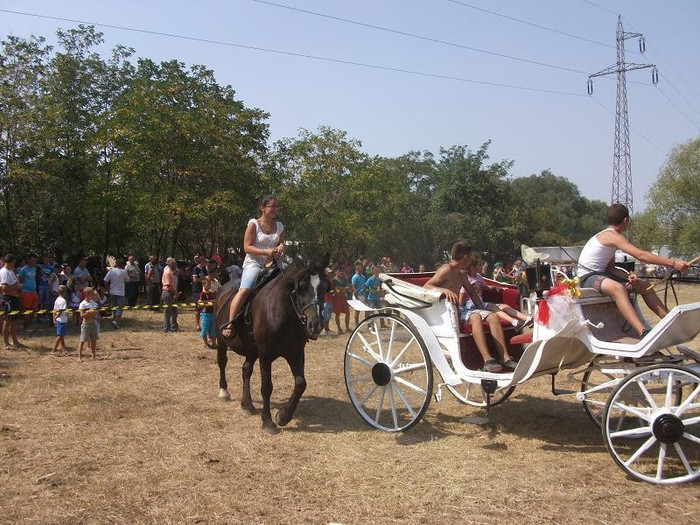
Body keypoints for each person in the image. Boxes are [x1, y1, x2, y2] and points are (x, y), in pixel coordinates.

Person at [576, 203, 690, 338]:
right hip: (587, 277)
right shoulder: (612, 236)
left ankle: (669, 321)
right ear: (625, 220)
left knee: (645, 286)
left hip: (600, 274)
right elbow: (641, 255)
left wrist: (627, 277)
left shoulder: (608, 238)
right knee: (618, 288)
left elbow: (610, 268)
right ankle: (643, 332)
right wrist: (673, 263)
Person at [424, 242, 518, 373]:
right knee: (475, 317)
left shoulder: (461, 273)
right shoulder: (447, 270)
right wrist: (444, 291)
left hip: (461, 310)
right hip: (449, 312)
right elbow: (426, 287)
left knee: (493, 316)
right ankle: (487, 360)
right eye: (470, 256)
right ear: (465, 256)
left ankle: (505, 357)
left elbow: (472, 292)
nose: (471, 259)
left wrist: (483, 309)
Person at [221, 196, 285, 338]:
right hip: (254, 263)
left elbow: (282, 243)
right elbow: (247, 247)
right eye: (272, 206)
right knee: (245, 290)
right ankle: (230, 323)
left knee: (289, 284)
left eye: (276, 206)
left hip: (273, 263)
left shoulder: (280, 226)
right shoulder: (253, 224)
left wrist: (281, 247)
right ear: (263, 208)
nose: (275, 209)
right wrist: (265, 251)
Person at [461, 259, 532, 330]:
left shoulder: (478, 276)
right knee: (493, 307)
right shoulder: (466, 278)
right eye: (479, 265)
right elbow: (461, 297)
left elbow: (485, 287)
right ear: (473, 268)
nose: (482, 267)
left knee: (504, 306)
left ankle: (528, 319)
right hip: (470, 304)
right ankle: (514, 322)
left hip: (481, 302)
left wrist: (496, 287)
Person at [1, 254, 27, 350]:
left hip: (14, 299)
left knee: (13, 321)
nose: (14, 264)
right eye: (14, 262)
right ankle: (6, 343)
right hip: (9, 299)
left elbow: (14, 283)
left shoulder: (10, 271)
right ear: (10, 261)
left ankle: (15, 342)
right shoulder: (4, 272)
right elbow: (4, 288)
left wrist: (18, 285)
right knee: (7, 321)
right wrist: (16, 287)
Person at [77, 286, 101, 362]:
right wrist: (88, 313)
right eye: (91, 294)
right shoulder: (82, 304)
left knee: (93, 340)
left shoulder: (93, 303)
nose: (93, 296)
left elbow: (96, 313)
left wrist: (91, 313)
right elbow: (82, 315)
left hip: (93, 324)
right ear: (87, 295)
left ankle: (93, 355)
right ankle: (79, 357)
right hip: (86, 325)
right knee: (82, 340)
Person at [104, 258, 128, 329]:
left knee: (114, 307)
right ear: (122, 265)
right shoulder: (124, 272)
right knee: (120, 307)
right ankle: (115, 321)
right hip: (120, 292)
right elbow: (127, 280)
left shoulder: (111, 271)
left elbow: (105, 280)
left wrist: (107, 289)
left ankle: (115, 321)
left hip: (112, 292)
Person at [18, 253, 39, 329]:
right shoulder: (23, 269)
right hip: (26, 291)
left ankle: (28, 323)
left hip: (34, 291)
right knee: (27, 310)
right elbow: (20, 280)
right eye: (33, 260)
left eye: (35, 260)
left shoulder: (34, 268)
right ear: (28, 260)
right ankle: (26, 325)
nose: (34, 262)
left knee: (34, 309)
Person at [161, 257, 180, 332]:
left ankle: (174, 327)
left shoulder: (172, 272)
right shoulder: (167, 272)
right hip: (168, 293)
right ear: (171, 264)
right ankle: (167, 328)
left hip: (172, 292)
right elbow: (168, 285)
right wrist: (176, 293)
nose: (176, 265)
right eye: (175, 264)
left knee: (174, 311)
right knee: (168, 312)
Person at [332, 267, 351, 334]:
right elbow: (336, 290)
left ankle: (347, 327)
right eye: (339, 271)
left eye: (341, 271)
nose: (340, 272)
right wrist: (343, 289)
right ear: (336, 272)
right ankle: (339, 329)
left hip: (344, 297)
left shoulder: (344, 279)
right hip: (337, 298)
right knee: (337, 314)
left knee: (348, 313)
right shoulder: (334, 280)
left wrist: (343, 289)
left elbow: (348, 287)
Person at [198, 279, 217, 348]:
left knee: (213, 329)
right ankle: (206, 343)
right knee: (205, 329)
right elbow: (200, 304)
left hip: (212, 313)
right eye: (208, 284)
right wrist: (208, 303)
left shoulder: (211, 293)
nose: (209, 286)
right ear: (203, 285)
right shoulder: (202, 294)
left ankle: (214, 344)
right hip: (205, 314)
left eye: (210, 284)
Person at [191, 256, 208, 331]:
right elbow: (195, 279)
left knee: (204, 308)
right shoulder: (196, 269)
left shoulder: (204, 269)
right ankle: (197, 324)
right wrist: (203, 279)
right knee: (198, 308)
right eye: (205, 262)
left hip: (204, 290)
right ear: (201, 262)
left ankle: (204, 323)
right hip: (197, 290)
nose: (206, 263)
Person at [52, 285, 69, 355]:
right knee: (60, 336)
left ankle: (64, 349)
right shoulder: (63, 301)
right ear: (65, 292)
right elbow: (61, 310)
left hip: (59, 319)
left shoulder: (57, 299)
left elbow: (54, 310)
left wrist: (54, 318)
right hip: (62, 320)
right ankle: (54, 350)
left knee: (61, 335)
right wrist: (57, 316)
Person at [351, 263, 368, 328]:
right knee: (357, 311)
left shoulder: (363, 277)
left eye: (362, 268)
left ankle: (368, 324)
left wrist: (365, 295)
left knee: (367, 310)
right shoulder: (354, 277)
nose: (362, 269)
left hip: (363, 295)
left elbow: (364, 286)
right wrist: (356, 297)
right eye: (361, 268)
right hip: (357, 296)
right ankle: (356, 325)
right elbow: (353, 288)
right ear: (357, 269)